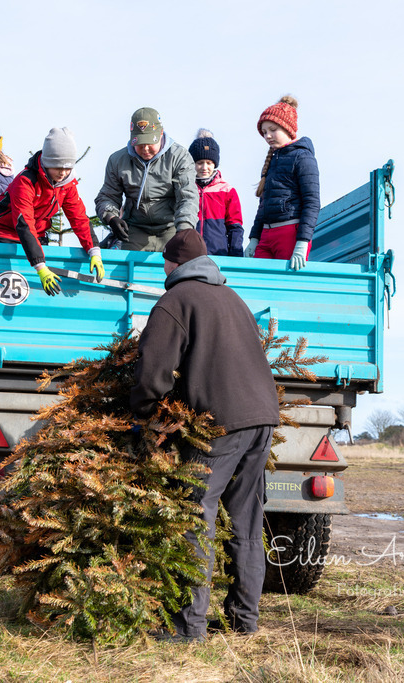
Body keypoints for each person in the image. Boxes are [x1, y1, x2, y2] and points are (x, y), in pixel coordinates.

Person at [130, 230, 279, 642]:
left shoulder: (176, 300)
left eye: (164, 263)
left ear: (173, 264)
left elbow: (152, 371)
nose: (163, 270)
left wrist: (143, 414)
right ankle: (243, 622)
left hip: (221, 423)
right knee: (247, 520)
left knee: (197, 516)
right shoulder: (234, 300)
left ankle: (186, 627)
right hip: (262, 418)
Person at [0, 127, 103, 295]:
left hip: (38, 233)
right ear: (47, 162)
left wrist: (94, 251)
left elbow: (78, 217)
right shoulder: (25, 181)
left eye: (68, 168)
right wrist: (40, 266)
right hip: (6, 233)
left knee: (41, 290)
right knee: (13, 284)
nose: (63, 173)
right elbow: (24, 223)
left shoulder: (66, 185)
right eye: (57, 167)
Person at [95, 107, 199, 252]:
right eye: (140, 144)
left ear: (161, 134)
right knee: (123, 268)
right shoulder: (117, 160)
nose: (145, 149)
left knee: (180, 266)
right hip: (134, 229)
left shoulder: (179, 157)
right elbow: (108, 195)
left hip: (171, 227)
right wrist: (112, 218)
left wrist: (184, 229)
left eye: (150, 143)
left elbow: (188, 197)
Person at [244, 96, 321, 270]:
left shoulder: (303, 157)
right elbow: (263, 206)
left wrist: (302, 242)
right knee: (258, 285)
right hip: (266, 235)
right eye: (264, 132)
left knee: (284, 291)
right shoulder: (272, 161)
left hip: (289, 234)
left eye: (272, 129)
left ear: (287, 128)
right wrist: (254, 238)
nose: (267, 136)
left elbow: (312, 202)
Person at [189, 129, 243, 257]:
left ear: (215, 164)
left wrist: (236, 255)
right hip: (189, 254)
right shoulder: (186, 188)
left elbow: (235, 226)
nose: (204, 167)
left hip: (218, 254)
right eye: (199, 163)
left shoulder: (227, 191)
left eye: (209, 163)